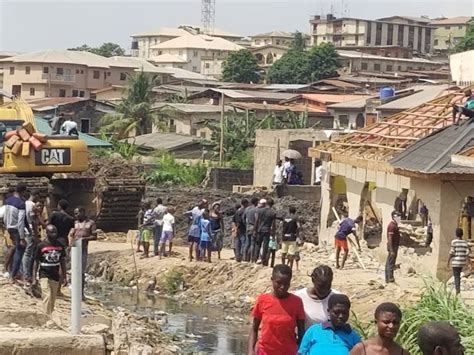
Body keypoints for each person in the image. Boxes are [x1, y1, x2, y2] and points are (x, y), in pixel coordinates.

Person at [248, 264, 305, 355]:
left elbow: (301, 330)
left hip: (289, 352)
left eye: (286, 284)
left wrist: (301, 351)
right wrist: (250, 351)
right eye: (279, 283)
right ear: (272, 280)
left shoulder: (297, 302)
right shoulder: (263, 300)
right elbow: (254, 328)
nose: (282, 287)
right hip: (264, 351)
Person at [32, 225, 66, 315]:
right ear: (47, 233)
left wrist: (64, 276)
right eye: (52, 232)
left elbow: (62, 260)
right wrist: (34, 278)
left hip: (55, 276)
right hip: (44, 274)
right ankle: (46, 316)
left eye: (55, 232)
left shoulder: (60, 245)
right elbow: (36, 261)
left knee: (53, 298)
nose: (54, 234)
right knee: (47, 295)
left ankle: (49, 315)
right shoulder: (41, 246)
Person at [295, 265, 339, 329]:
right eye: (321, 286)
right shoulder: (299, 296)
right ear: (313, 280)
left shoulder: (337, 298)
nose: (324, 289)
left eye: (328, 285)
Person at [48, 199, 74, 295]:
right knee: (62, 265)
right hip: (63, 241)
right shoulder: (70, 218)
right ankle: (58, 290)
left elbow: (48, 226)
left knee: (51, 262)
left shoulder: (54, 214)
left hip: (53, 241)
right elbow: (72, 233)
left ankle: (51, 287)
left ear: (59, 206)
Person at [4, 183, 29, 283]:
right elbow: (20, 221)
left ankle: (13, 272)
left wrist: (6, 226)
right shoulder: (21, 204)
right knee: (20, 250)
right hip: (17, 229)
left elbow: (5, 215)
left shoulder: (8, 200)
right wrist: (22, 237)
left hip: (9, 227)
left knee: (14, 248)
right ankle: (13, 275)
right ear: (23, 192)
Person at [70, 207, 97, 299]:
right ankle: (74, 291)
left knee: (81, 272)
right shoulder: (74, 223)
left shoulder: (91, 223)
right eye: (75, 214)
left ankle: (81, 293)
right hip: (74, 248)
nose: (76, 215)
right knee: (74, 271)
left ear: (82, 212)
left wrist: (84, 239)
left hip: (83, 249)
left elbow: (94, 236)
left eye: (77, 213)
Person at [23, 201, 46, 283]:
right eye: (38, 206)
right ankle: (27, 274)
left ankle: (30, 274)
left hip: (36, 237)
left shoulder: (37, 216)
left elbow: (43, 225)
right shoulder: (33, 215)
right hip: (32, 236)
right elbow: (38, 225)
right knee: (29, 255)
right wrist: (36, 237)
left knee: (34, 256)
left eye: (41, 206)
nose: (39, 208)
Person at [447, 228, 470, 295]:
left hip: (455, 262)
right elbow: (467, 253)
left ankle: (457, 291)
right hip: (462, 262)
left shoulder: (454, 242)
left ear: (456, 234)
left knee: (456, 276)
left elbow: (452, 252)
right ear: (462, 234)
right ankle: (458, 290)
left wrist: (448, 261)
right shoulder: (465, 242)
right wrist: (467, 262)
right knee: (458, 275)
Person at [254, 198, 276, 266]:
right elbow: (273, 224)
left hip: (260, 230)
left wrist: (255, 230)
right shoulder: (273, 212)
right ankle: (264, 261)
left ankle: (255, 258)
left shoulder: (260, 210)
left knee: (258, 244)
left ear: (266, 204)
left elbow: (257, 221)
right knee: (265, 246)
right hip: (267, 230)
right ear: (272, 204)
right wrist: (273, 233)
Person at [386, 211, 401, 284]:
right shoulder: (392, 226)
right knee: (391, 263)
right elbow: (390, 238)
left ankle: (388, 278)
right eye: (398, 217)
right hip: (392, 246)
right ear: (393, 217)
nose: (399, 218)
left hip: (394, 246)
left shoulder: (395, 225)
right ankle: (390, 278)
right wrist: (391, 250)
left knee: (390, 262)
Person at [244, 197, 259, 262]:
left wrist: (246, 225)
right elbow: (256, 220)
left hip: (248, 226)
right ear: (256, 202)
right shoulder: (256, 210)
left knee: (247, 243)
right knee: (253, 243)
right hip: (253, 227)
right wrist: (255, 229)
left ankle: (245, 257)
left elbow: (243, 218)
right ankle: (251, 258)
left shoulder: (247, 209)